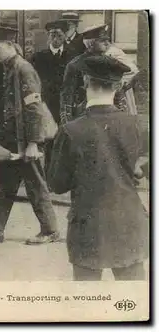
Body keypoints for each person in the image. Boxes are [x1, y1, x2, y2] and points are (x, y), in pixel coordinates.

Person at [48, 55, 149, 281]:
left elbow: (57, 184)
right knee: (134, 299)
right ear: (117, 86)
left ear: (85, 81)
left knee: (87, 303)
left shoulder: (70, 130)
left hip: (88, 223)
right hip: (129, 220)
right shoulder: (135, 124)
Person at [0, 24, 60, 246]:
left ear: (9, 45)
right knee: (7, 185)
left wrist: (34, 143)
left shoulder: (23, 69)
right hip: (14, 141)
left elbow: (34, 108)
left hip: (26, 141)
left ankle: (50, 229)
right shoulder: (10, 67)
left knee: (36, 185)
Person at [60, 24, 139, 124]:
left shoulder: (111, 62)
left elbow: (118, 90)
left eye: (107, 40)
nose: (107, 43)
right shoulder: (75, 65)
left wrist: (122, 111)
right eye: (102, 41)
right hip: (85, 116)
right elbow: (67, 96)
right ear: (91, 43)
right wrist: (67, 121)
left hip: (111, 114)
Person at [31, 20, 74, 169]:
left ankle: (64, 175)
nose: (56, 39)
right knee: (49, 139)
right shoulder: (38, 57)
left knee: (67, 138)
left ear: (65, 36)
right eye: (52, 35)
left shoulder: (72, 56)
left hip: (67, 105)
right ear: (48, 37)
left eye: (59, 35)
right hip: (47, 104)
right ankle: (49, 174)